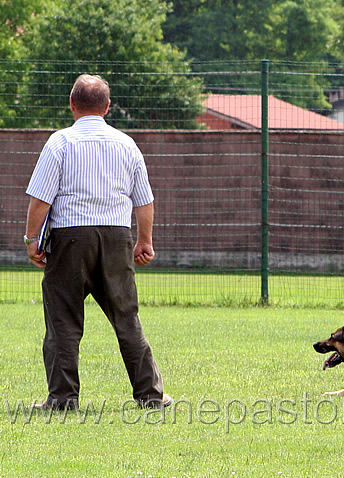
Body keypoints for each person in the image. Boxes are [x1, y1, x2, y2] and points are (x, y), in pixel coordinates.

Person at [24, 74, 172, 410]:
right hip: (118, 238)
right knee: (126, 317)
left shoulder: (59, 143)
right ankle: (150, 395)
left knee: (63, 321)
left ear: (72, 104)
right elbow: (144, 201)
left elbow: (40, 202)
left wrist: (32, 240)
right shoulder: (126, 144)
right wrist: (143, 241)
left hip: (70, 239)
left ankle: (62, 399)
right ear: (106, 107)